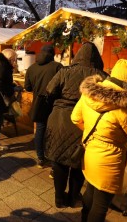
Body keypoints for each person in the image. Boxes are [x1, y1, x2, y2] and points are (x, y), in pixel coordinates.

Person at [71, 59, 127, 222]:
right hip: (110, 160)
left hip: (90, 152)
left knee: (90, 192)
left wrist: (94, 134)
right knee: (100, 205)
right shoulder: (125, 107)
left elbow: (75, 118)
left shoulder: (90, 94)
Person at [43, 42, 107, 208]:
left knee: (59, 160)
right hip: (85, 122)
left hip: (59, 120)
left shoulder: (65, 71)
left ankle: (58, 198)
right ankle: (73, 197)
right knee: (78, 162)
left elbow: (49, 91)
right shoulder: (102, 76)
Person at [24, 45, 63, 168]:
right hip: (55, 104)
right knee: (53, 131)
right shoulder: (58, 67)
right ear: (52, 54)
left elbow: (28, 87)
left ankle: (40, 158)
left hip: (39, 104)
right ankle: (52, 156)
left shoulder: (31, 68)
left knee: (40, 130)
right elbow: (63, 86)